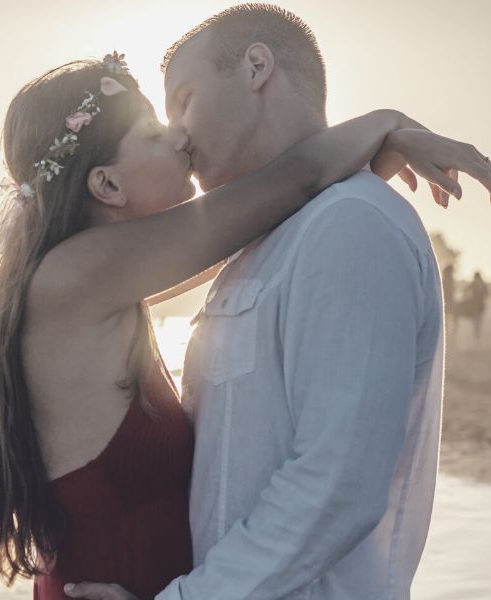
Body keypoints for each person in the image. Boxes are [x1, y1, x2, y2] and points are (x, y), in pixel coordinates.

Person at [63, 6, 491, 600]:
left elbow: (335, 487)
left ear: (256, 66)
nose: (180, 133)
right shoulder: (258, 245)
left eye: (185, 99)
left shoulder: (350, 225)